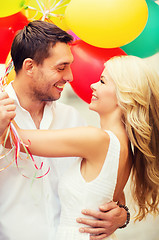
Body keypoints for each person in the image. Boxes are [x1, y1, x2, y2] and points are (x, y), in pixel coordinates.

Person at [3, 54, 159, 239]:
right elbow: (111, 200)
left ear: (123, 95)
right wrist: (122, 214)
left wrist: (3, 104)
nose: (93, 85)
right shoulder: (126, 149)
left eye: (102, 81)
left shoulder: (96, 139)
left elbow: (18, 140)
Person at [0, 20, 127, 240]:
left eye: (70, 66)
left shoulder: (72, 118)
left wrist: (122, 215)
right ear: (30, 67)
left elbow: (105, 183)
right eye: (61, 67)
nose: (70, 77)